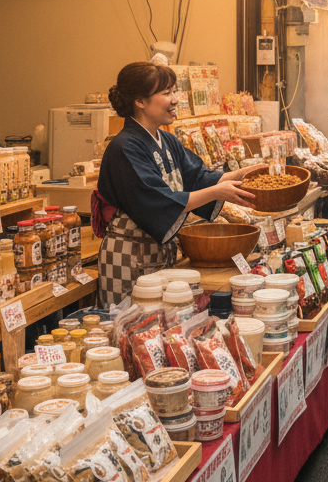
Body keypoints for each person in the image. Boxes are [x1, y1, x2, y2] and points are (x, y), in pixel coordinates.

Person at [95, 62, 256, 304]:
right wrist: (216, 191)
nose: (175, 100)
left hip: (161, 253)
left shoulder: (167, 140)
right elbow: (158, 200)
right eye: (166, 93)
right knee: (129, 326)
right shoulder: (124, 147)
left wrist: (241, 175)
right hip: (128, 256)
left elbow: (197, 177)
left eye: (174, 91)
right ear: (140, 101)